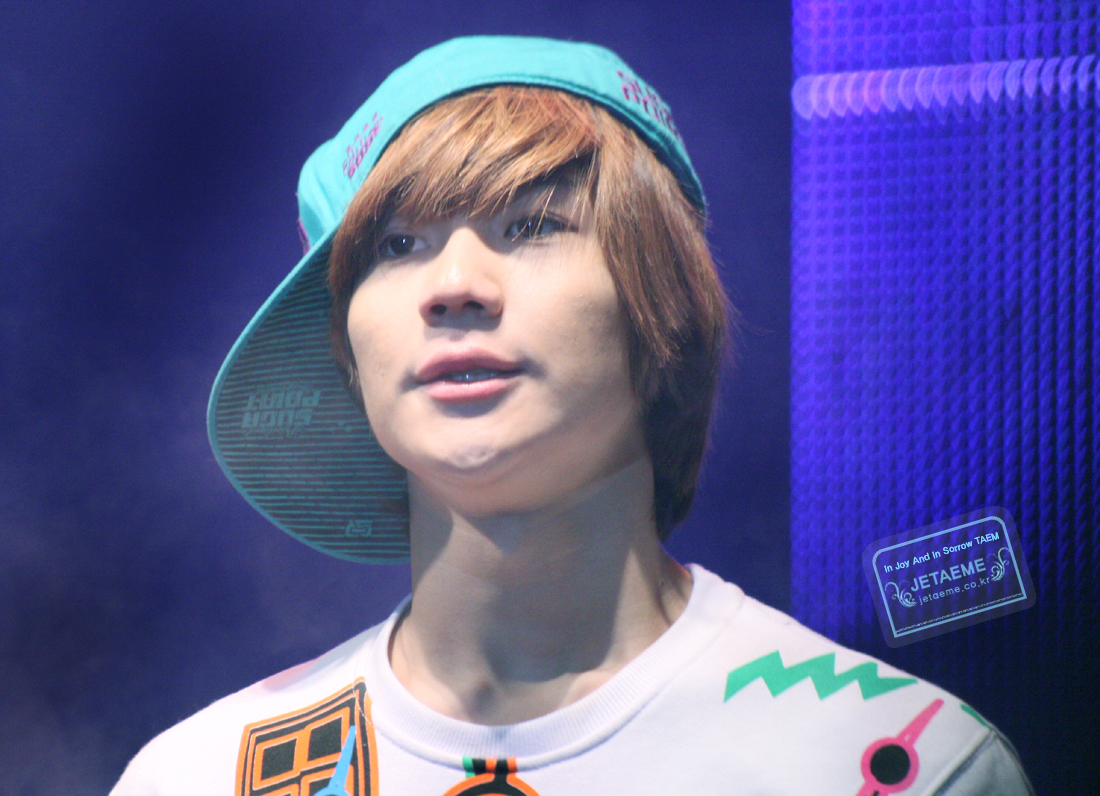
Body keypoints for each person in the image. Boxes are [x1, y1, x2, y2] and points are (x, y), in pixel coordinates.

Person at [111, 36, 1033, 795]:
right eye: (397, 245)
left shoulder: (891, 765)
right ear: (348, 360)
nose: (454, 285)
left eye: (532, 225)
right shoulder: (197, 777)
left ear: (662, 304)